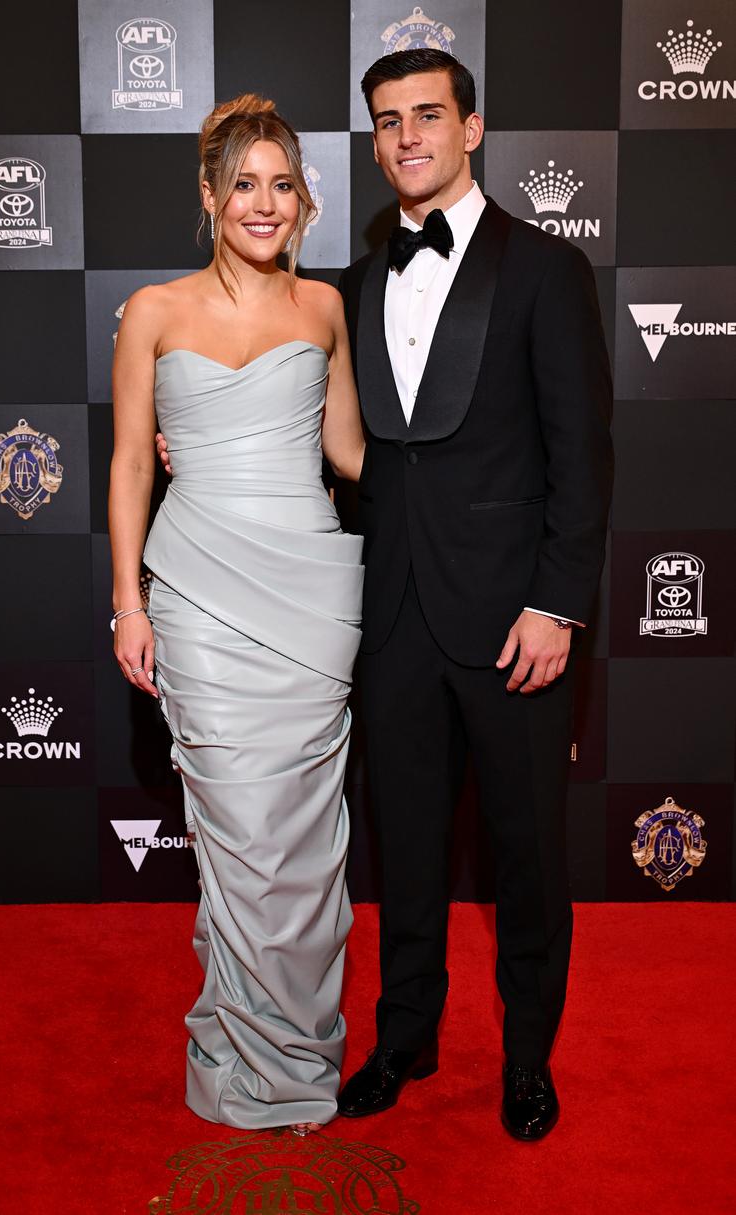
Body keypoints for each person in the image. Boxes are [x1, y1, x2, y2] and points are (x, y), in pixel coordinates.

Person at [333, 50, 613, 1140]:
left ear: (473, 126)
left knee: (529, 854)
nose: (409, 136)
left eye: (429, 115)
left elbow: (581, 454)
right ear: (374, 141)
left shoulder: (546, 268)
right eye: (389, 121)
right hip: (393, 612)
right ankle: (405, 1036)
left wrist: (558, 604)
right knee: (405, 845)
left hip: (513, 621)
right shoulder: (354, 286)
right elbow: (341, 447)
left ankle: (530, 1057)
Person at [109, 94, 365, 1135]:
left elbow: (352, 456)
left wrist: (481, 454)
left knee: (303, 844)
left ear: (304, 202)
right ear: (210, 196)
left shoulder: (326, 312)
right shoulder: (153, 312)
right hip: (202, 593)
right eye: (245, 183)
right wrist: (128, 602)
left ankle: (295, 1060)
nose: (265, 203)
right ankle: (242, 1059)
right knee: (240, 833)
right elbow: (131, 462)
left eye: (283, 184)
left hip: (308, 589)